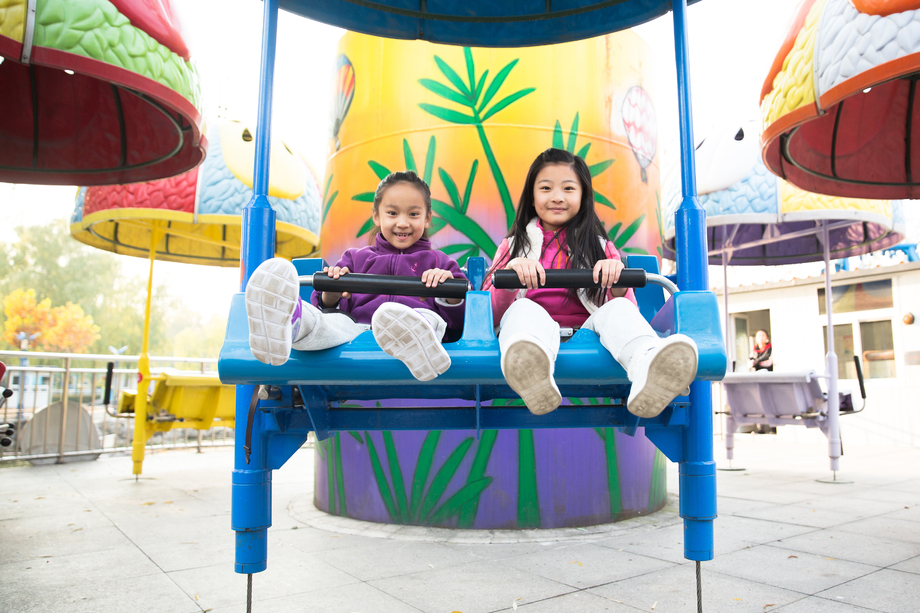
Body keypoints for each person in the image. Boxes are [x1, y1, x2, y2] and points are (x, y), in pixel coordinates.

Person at [484, 148, 698, 417]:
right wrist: (511, 275)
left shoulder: (600, 247)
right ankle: (532, 369)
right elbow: (489, 313)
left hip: (588, 333)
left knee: (617, 310)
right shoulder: (513, 247)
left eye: (569, 188)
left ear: (583, 195)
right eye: (546, 188)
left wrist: (616, 280)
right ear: (532, 196)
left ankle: (648, 364)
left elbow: (625, 310)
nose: (557, 197)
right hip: (533, 330)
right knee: (521, 310)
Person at [245, 170, 467, 381]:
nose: (402, 222)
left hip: (417, 326)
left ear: (427, 219)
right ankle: (292, 322)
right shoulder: (354, 259)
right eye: (392, 213)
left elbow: (461, 321)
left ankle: (415, 335)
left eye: (413, 214)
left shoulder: (439, 263)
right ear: (376, 217)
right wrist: (331, 291)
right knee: (331, 324)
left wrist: (449, 290)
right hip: (358, 333)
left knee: (430, 320)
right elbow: (329, 306)